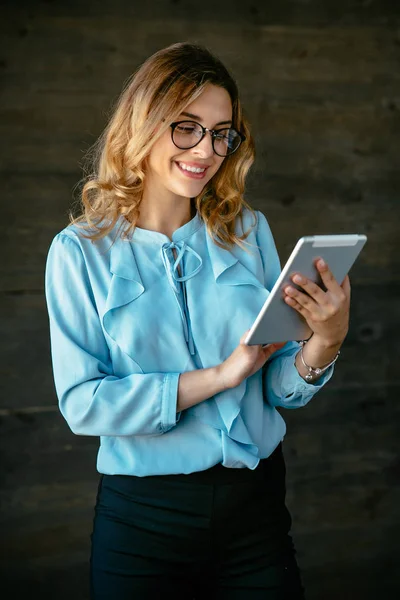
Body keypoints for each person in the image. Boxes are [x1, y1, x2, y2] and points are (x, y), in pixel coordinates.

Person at [44, 42, 350, 599]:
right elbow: (83, 404)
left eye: (221, 133)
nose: (205, 150)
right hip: (143, 523)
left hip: (255, 513)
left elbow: (278, 388)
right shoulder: (77, 253)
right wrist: (219, 377)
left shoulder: (247, 230)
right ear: (144, 125)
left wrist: (324, 343)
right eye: (185, 127)